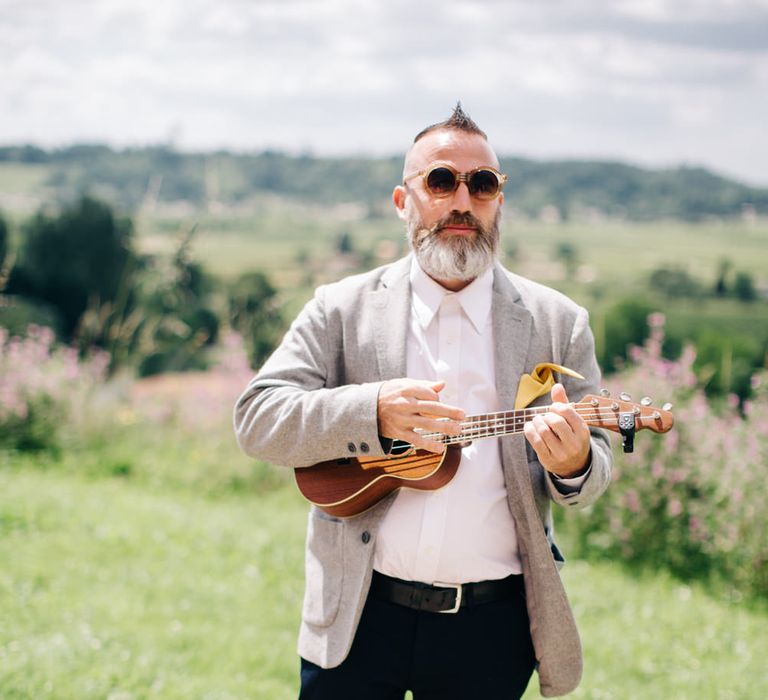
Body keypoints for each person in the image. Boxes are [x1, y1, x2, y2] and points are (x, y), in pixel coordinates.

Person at [234, 104, 613, 699]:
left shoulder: (558, 322)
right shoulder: (341, 308)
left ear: (498, 201)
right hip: (360, 615)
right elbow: (258, 418)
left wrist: (574, 465)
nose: (462, 200)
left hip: (492, 629)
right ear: (402, 200)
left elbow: (597, 465)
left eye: (482, 184)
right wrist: (371, 412)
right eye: (441, 181)